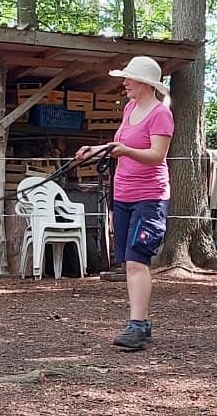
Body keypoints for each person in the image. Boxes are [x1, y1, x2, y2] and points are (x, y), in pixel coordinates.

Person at [75, 56, 174, 351]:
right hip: (124, 194)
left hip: (150, 196)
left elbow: (157, 155)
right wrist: (96, 149)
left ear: (144, 83)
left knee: (136, 259)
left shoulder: (160, 115)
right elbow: (119, 144)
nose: (124, 83)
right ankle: (140, 322)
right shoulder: (130, 108)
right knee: (129, 262)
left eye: (129, 78)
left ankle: (138, 326)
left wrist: (126, 151)